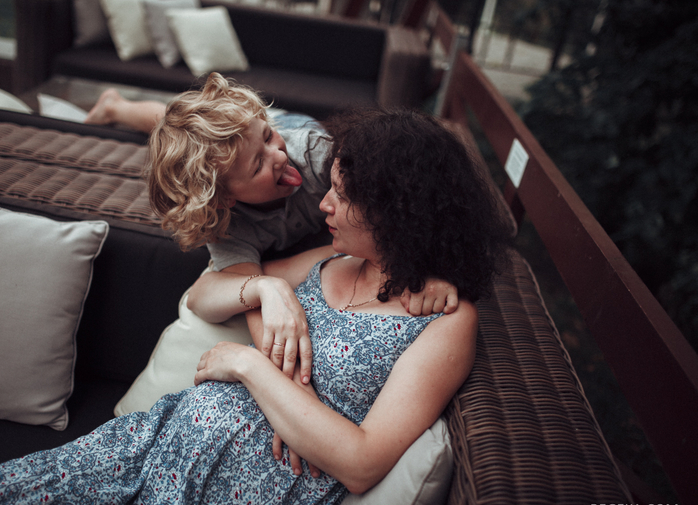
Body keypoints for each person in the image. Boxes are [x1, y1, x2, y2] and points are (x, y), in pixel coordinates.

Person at [0, 108, 512, 505]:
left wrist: (248, 365)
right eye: (331, 188)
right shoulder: (333, 259)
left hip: (246, 500)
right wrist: (268, 292)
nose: (324, 202)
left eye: (344, 195)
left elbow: (361, 462)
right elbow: (206, 292)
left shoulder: (447, 322)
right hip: (153, 443)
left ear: (400, 210)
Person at [90, 74, 460, 387]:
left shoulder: (313, 154)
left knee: (203, 128)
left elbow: (396, 210)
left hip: (292, 123)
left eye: (268, 138)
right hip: (238, 152)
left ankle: (130, 109)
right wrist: (283, 357)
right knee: (169, 123)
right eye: (258, 166)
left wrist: (428, 270)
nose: (279, 157)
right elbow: (243, 291)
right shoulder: (228, 225)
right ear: (225, 199)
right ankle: (116, 108)